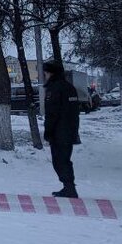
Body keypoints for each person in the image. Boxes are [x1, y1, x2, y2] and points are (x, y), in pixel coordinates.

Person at [42, 59, 81, 198]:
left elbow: (52, 113)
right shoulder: (69, 87)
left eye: (46, 72)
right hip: (70, 130)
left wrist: (48, 131)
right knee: (65, 159)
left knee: (59, 160)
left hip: (59, 132)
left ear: (51, 73)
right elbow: (75, 111)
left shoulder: (54, 89)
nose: (45, 75)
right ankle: (69, 187)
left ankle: (69, 188)